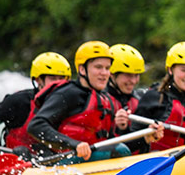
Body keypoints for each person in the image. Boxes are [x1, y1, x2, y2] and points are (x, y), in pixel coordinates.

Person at [28, 41, 160, 162]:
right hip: (61, 162)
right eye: (98, 67)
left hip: (92, 160)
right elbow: (36, 126)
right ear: (82, 69)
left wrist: (145, 138)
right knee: (119, 150)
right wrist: (74, 144)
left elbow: (111, 142)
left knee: (120, 149)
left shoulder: (104, 98)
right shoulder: (68, 93)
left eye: (107, 68)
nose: (104, 73)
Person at [0, 52, 72, 158]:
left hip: (59, 161)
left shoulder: (74, 102)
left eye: (62, 78)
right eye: (52, 78)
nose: (58, 83)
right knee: (22, 151)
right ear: (38, 80)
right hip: (19, 161)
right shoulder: (18, 101)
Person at [136, 42, 185, 152]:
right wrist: (146, 137)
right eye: (184, 70)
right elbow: (132, 141)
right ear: (170, 69)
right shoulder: (154, 97)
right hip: (162, 162)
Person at [106, 43, 149, 154]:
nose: (134, 81)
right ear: (112, 74)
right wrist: (120, 128)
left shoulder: (141, 99)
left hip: (136, 160)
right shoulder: (99, 99)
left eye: (136, 75)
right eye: (128, 75)